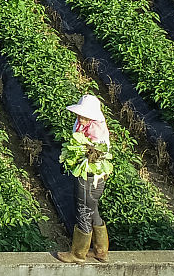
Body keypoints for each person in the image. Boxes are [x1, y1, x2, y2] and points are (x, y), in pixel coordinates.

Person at [55, 94, 111, 264]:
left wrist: (84, 152)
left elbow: (97, 154)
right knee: (92, 208)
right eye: (80, 114)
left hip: (91, 174)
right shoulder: (82, 124)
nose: (80, 117)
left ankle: (78, 253)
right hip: (95, 174)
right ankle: (101, 250)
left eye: (84, 115)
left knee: (83, 209)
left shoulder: (96, 130)